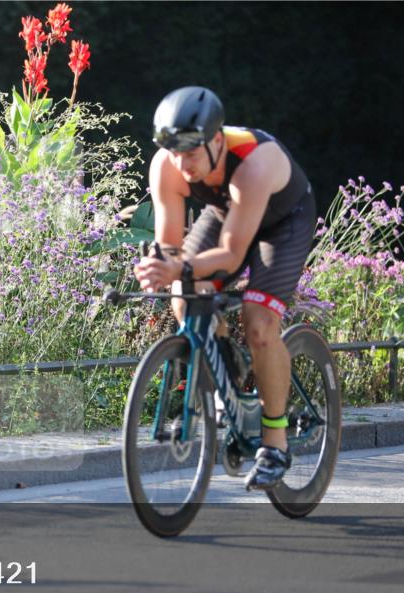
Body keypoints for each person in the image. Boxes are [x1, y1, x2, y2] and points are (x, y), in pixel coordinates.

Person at [132, 86, 316, 491]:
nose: (182, 164)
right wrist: (159, 267)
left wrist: (177, 265)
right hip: (227, 213)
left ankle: (275, 440)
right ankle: (227, 373)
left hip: (283, 221)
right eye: (173, 152)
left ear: (217, 141)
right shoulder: (166, 165)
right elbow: (169, 246)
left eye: (192, 154)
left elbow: (232, 255)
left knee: (259, 322)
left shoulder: (253, 160)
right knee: (184, 294)